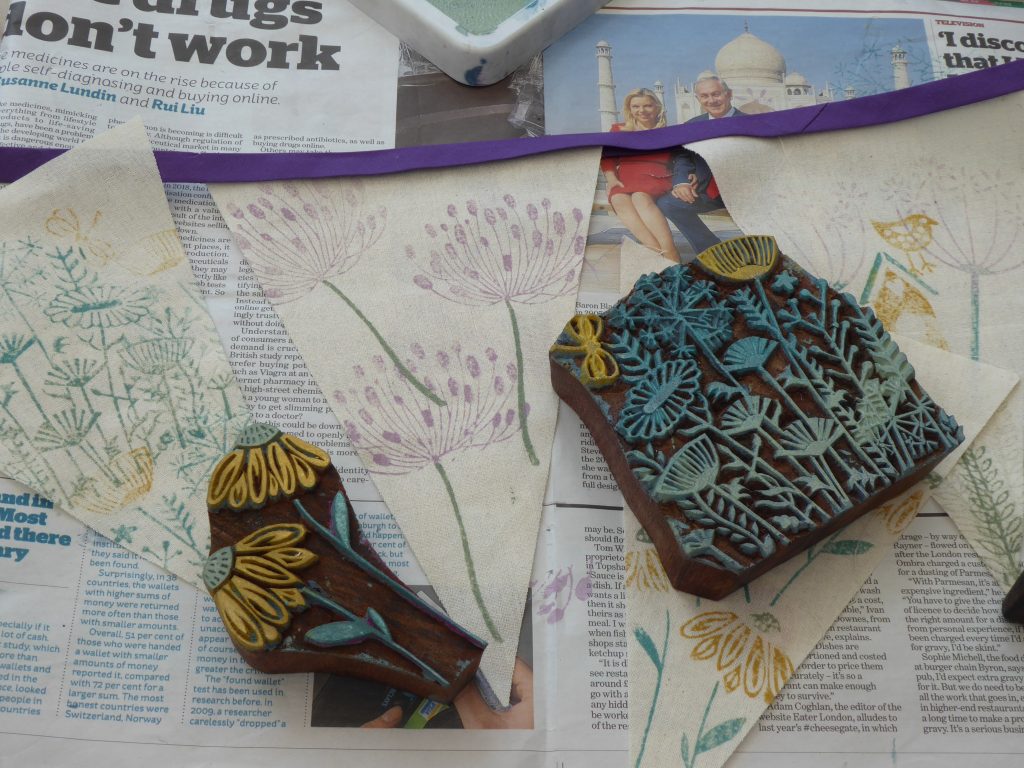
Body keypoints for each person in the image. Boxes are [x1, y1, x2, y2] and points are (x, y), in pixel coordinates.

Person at [656, 74, 739, 255]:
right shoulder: (693, 125)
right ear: (698, 99)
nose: (711, 100)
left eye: (716, 94)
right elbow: (683, 157)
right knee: (668, 203)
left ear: (729, 94)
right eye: (705, 96)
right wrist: (682, 181)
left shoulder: (751, 122)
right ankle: (712, 250)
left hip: (744, 192)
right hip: (708, 192)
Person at [600, 88, 679, 261]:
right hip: (625, 176)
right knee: (618, 199)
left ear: (657, 108)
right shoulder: (618, 129)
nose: (641, 111)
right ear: (629, 108)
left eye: (647, 106)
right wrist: (611, 178)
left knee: (640, 198)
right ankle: (655, 251)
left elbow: (680, 158)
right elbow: (607, 157)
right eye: (636, 106)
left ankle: (670, 252)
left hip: (656, 174)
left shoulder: (669, 131)